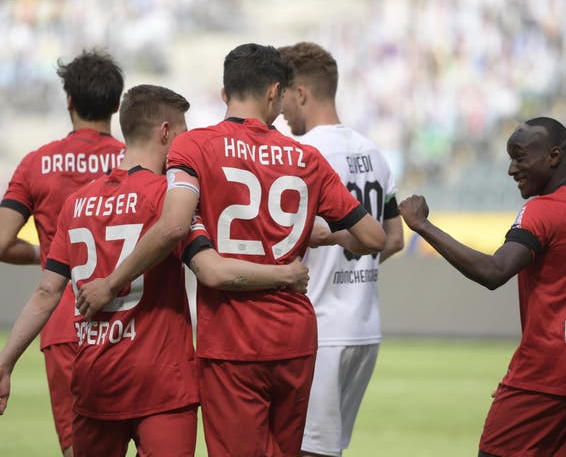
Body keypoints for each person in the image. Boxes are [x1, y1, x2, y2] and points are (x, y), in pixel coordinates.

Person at [75, 43, 386, 456]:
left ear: (225, 94)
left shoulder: (195, 148)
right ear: (275, 92)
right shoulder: (306, 158)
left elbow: (174, 225)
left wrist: (111, 282)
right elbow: (373, 238)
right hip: (295, 334)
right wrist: (313, 233)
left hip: (233, 336)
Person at [0, 84, 310, 456]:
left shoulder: (76, 204)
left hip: (95, 379)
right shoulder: (170, 201)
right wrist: (289, 269)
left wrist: (5, 362)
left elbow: (46, 293)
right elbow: (211, 268)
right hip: (161, 384)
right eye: (182, 132)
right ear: (165, 133)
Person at [400, 117, 566, 456]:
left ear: (553, 156)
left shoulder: (543, 210)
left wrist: (421, 225)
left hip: (549, 375)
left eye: (520, 157)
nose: (510, 169)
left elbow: (495, 271)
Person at [278, 41, 404, 457]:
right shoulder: (375, 153)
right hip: (365, 325)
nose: (280, 110)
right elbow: (395, 237)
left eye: (284, 98)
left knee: (306, 449)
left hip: (319, 326)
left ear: (301, 93)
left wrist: (328, 259)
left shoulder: (302, 154)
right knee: (327, 448)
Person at [0, 49, 126, 456]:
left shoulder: (36, 163)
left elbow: (1, 241)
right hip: (129, 319)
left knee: (79, 448)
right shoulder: (135, 161)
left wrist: (50, 256)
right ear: (116, 104)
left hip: (63, 323)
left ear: (68, 100)